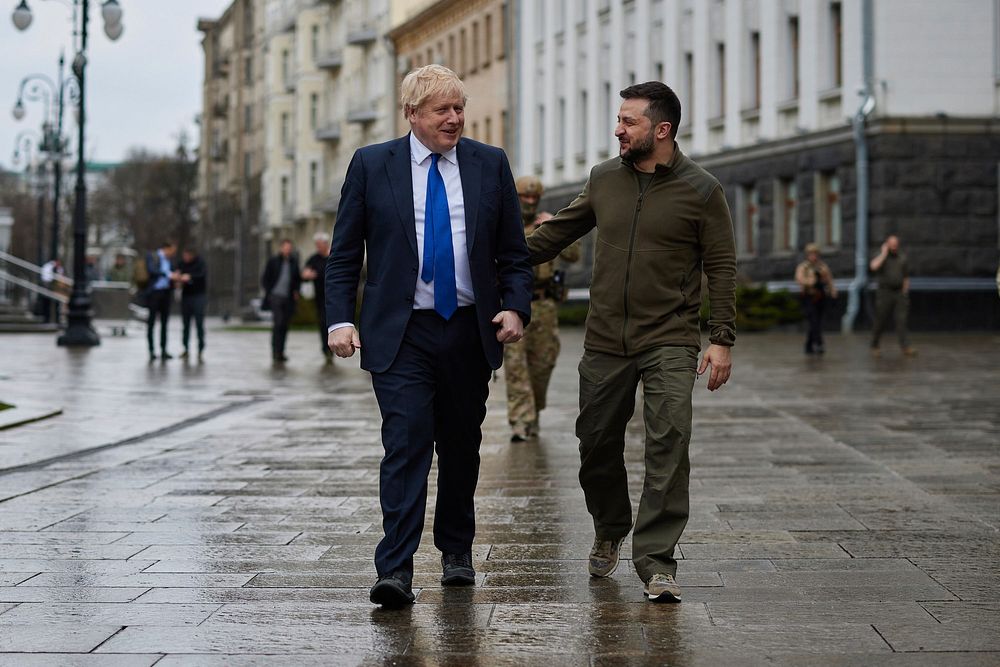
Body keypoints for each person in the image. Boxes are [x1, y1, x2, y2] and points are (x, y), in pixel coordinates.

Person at [325, 64, 532, 608]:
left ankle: (457, 552)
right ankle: (395, 568)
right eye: (442, 109)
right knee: (407, 442)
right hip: (402, 334)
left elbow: (514, 253)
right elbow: (344, 254)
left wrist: (515, 308)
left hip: (469, 329)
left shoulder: (489, 165)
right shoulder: (373, 166)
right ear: (411, 114)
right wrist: (339, 319)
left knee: (461, 446)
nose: (455, 118)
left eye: (459, 108)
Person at [526, 81, 736, 604]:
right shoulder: (603, 179)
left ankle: (657, 560)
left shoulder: (702, 190)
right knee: (595, 443)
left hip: (669, 337)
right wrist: (481, 257)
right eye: (618, 120)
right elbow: (554, 236)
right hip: (604, 340)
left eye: (629, 121)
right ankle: (610, 525)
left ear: (661, 130)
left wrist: (721, 338)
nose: (617, 129)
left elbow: (722, 267)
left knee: (670, 440)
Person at [504, 175, 581, 442]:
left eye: (533, 198)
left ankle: (533, 411)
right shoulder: (507, 223)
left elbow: (574, 255)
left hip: (544, 305)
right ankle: (521, 420)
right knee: (515, 366)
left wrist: (553, 227)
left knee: (543, 365)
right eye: (524, 197)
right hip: (514, 305)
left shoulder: (546, 222)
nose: (529, 202)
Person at [870, 234, 916, 357]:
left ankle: (905, 347)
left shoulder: (902, 257)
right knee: (880, 320)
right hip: (885, 292)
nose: (894, 247)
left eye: (896, 244)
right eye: (892, 244)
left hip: (899, 293)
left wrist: (905, 292)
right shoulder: (882, 256)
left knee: (902, 320)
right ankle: (875, 345)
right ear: (887, 244)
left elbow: (906, 276)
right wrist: (884, 253)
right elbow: (873, 266)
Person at [261, 239, 301, 363]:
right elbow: (265, 278)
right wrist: (269, 292)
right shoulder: (273, 261)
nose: (287, 250)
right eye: (285, 247)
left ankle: (281, 352)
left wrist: (296, 291)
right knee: (278, 323)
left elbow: (297, 279)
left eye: (289, 247)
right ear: (281, 248)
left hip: (288, 298)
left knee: (284, 325)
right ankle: (275, 350)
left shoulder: (293, 262)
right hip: (275, 297)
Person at [795, 243, 837, 355]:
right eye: (811, 254)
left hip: (821, 296)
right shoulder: (803, 267)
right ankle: (819, 343)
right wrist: (811, 282)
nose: (813, 256)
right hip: (809, 296)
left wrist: (833, 292)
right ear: (807, 255)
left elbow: (829, 279)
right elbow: (799, 279)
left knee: (817, 321)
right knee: (813, 321)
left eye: (815, 254)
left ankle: (809, 345)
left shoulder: (822, 266)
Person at [301, 231, 333, 364]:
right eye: (316, 245)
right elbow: (304, 274)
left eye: (320, 244)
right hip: (320, 297)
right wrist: (309, 274)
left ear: (326, 244)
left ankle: (332, 347)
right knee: (323, 323)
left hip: (333, 295)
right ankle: (326, 349)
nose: (318, 247)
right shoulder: (314, 259)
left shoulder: (333, 256)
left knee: (333, 321)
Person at [144, 240, 177, 362]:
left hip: (166, 293)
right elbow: (151, 270)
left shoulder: (170, 261)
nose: (173, 254)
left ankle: (163, 350)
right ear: (166, 249)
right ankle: (151, 350)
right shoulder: (152, 256)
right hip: (154, 293)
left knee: (164, 323)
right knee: (151, 322)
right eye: (172, 251)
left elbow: (173, 273)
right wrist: (167, 275)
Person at [177, 247, 208, 362]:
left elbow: (201, 275)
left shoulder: (200, 263)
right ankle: (185, 348)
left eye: (187, 256)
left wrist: (189, 277)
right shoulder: (181, 264)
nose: (185, 258)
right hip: (186, 297)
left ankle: (200, 349)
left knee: (199, 323)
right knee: (186, 324)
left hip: (199, 296)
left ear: (192, 255)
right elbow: (177, 273)